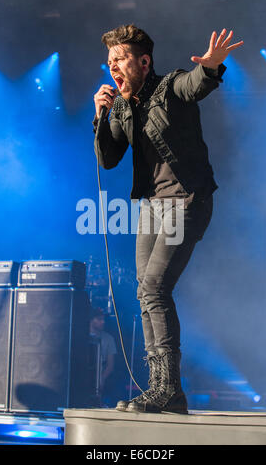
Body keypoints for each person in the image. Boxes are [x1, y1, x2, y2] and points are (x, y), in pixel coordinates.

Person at [93, 24, 243, 413]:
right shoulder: (123, 106)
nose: (114, 66)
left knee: (155, 287)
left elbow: (196, 84)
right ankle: (163, 389)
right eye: (110, 61)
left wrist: (210, 67)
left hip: (187, 199)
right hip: (152, 206)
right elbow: (107, 160)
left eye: (121, 58)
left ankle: (169, 391)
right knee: (145, 291)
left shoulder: (170, 86)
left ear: (144, 61)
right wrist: (101, 115)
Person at [89, 308, 117, 398]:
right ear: (91, 320)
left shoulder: (109, 338)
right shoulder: (81, 335)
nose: (103, 322)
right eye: (99, 319)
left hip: (100, 373)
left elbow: (110, 365)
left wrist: (102, 378)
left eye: (103, 319)